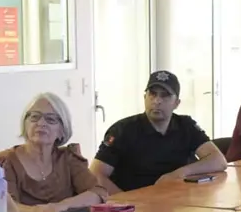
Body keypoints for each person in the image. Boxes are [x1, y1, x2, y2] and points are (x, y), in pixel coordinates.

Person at [90, 70, 227, 194]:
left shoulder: (186, 126)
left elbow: (218, 161)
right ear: (145, 98)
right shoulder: (123, 130)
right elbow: (96, 173)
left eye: (165, 95)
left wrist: (179, 173)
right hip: (137, 206)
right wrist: (125, 200)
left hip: (177, 202)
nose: (157, 101)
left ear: (176, 103)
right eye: (152, 94)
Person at [0, 92, 107, 212]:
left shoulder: (68, 158)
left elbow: (98, 193)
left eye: (51, 119)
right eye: (35, 117)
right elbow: (4, 206)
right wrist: (36, 211)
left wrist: (63, 206)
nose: (41, 123)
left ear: (62, 131)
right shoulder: (6, 162)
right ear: (25, 124)